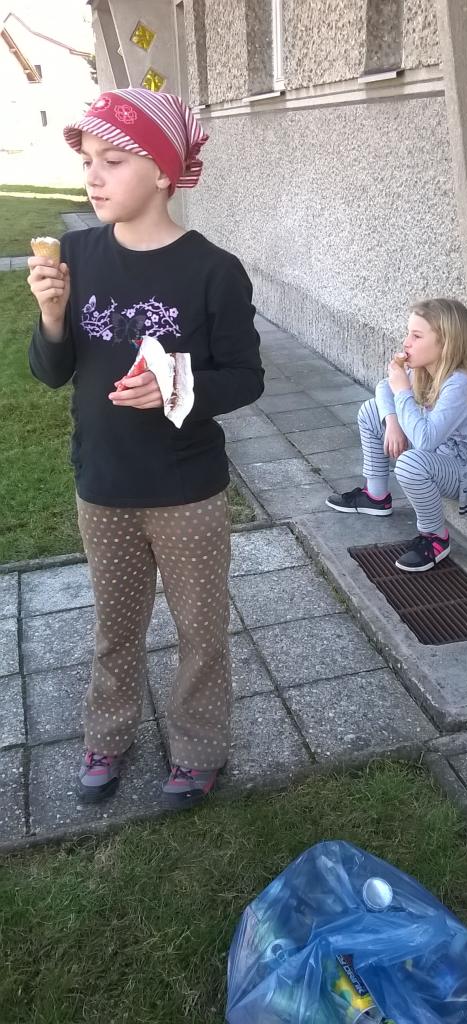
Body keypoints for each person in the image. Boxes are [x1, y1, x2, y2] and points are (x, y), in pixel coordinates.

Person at [27, 88, 264, 805]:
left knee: (201, 631)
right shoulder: (76, 254)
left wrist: (175, 385)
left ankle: (197, 748)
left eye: (113, 161)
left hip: (186, 488)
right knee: (115, 625)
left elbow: (246, 377)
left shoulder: (213, 270)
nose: (93, 177)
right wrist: (52, 314)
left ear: (162, 171)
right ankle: (108, 733)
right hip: (104, 481)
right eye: (88, 162)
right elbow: (52, 372)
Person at [326, 298, 467, 572]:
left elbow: (425, 441)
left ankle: (435, 537)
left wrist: (403, 391)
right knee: (372, 410)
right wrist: (392, 421)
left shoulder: (462, 382)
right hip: (442, 452)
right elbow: (384, 387)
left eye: (416, 336)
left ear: (445, 342)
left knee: (410, 464)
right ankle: (376, 497)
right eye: (408, 334)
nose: (406, 343)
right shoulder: (426, 369)